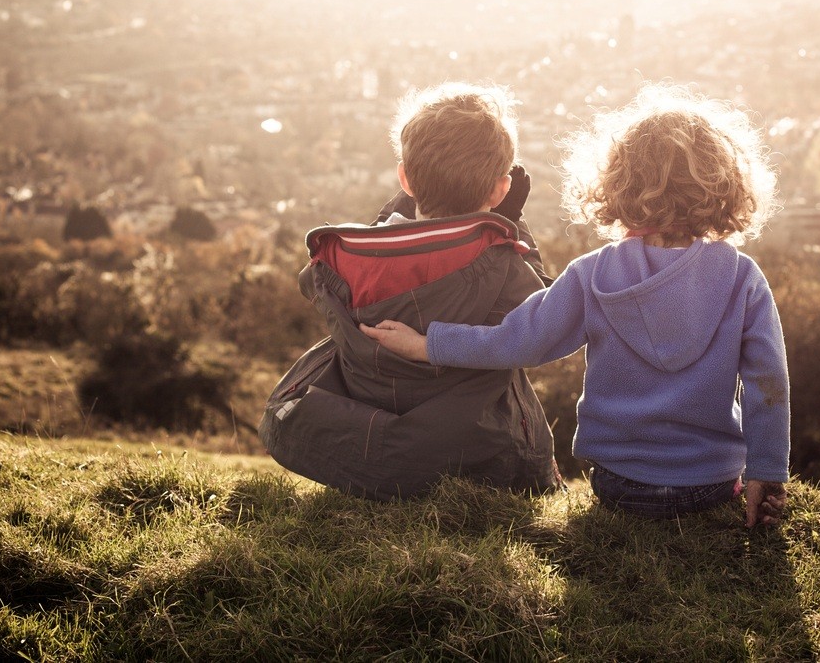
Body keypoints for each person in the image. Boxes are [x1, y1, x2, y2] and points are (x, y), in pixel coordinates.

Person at [361, 83, 789, 526]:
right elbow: (768, 382)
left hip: (619, 484)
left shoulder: (593, 274)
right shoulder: (743, 280)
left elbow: (518, 342)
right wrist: (767, 473)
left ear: (618, 184)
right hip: (711, 483)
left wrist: (428, 344)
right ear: (723, 185)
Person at [259, 82, 564, 500]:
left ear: (404, 179)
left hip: (369, 437)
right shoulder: (503, 263)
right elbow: (542, 315)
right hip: (476, 450)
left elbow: (309, 283)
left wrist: (391, 216)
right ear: (500, 189)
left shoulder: (345, 258)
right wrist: (511, 223)